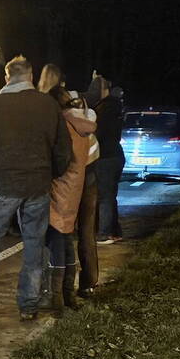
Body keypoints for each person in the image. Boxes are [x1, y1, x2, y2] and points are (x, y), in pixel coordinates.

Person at [0, 56, 71, 320]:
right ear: (30, 76)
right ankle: (28, 305)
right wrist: (53, 172)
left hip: (6, 183)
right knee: (34, 244)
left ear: (8, 77)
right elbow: (63, 148)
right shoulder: (48, 105)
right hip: (39, 183)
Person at [45, 86, 98, 314]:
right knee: (66, 239)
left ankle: (57, 298)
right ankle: (69, 296)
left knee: (57, 239)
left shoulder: (64, 126)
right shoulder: (82, 125)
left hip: (61, 188)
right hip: (75, 188)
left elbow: (61, 159)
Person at [75, 71, 105, 297]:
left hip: (67, 179)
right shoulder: (90, 116)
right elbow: (95, 93)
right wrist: (96, 78)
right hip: (89, 176)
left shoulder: (60, 117)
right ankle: (88, 282)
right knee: (87, 230)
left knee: (62, 232)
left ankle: (61, 287)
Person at [94, 81, 125, 244]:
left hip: (106, 157)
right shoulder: (114, 106)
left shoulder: (105, 108)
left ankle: (104, 232)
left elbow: (98, 133)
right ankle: (114, 231)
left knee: (104, 196)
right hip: (114, 155)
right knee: (110, 195)